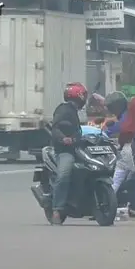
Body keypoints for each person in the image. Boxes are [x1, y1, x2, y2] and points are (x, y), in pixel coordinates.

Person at [49, 82, 87, 225]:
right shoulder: (63, 110)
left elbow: (78, 131)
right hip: (65, 151)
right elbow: (56, 128)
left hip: (78, 149)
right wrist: (64, 139)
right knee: (64, 174)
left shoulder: (75, 112)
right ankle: (57, 210)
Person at [105, 91, 135, 216]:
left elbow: (119, 130)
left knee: (116, 180)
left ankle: (105, 204)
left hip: (128, 150)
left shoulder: (128, 118)